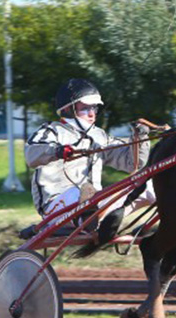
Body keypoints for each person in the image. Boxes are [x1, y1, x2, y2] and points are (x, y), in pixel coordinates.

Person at [25, 78, 156, 231]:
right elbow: (31, 154)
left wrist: (140, 138)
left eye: (94, 108)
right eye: (86, 108)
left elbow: (132, 164)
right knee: (78, 192)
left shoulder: (99, 136)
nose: (92, 114)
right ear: (68, 109)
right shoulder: (51, 131)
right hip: (56, 207)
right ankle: (87, 217)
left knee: (150, 187)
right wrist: (58, 151)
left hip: (96, 202)